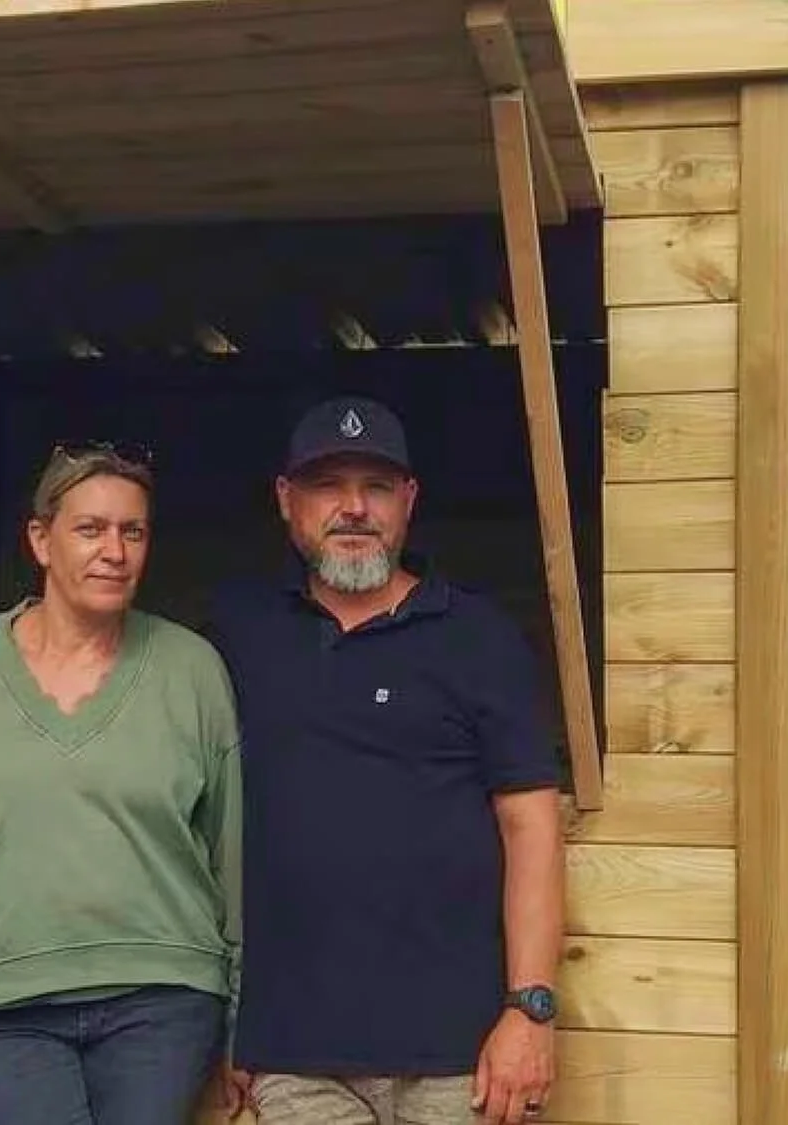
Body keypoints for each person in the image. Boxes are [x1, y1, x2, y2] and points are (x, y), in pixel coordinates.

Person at [205, 396, 566, 1125]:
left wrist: (530, 1009)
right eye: (327, 486)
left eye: (374, 486)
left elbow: (531, 826)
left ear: (408, 501)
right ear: (286, 500)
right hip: (295, 1053)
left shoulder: (479, 637)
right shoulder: (238, 633)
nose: (353, 508)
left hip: (461, 1056)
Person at [0, 440, 245, 1124]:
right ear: (41, 540)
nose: (114, 549)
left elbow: (231, 847)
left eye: (132, 531)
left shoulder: (191, 668)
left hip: (162, 994)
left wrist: (239, 1007)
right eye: (90, 528)